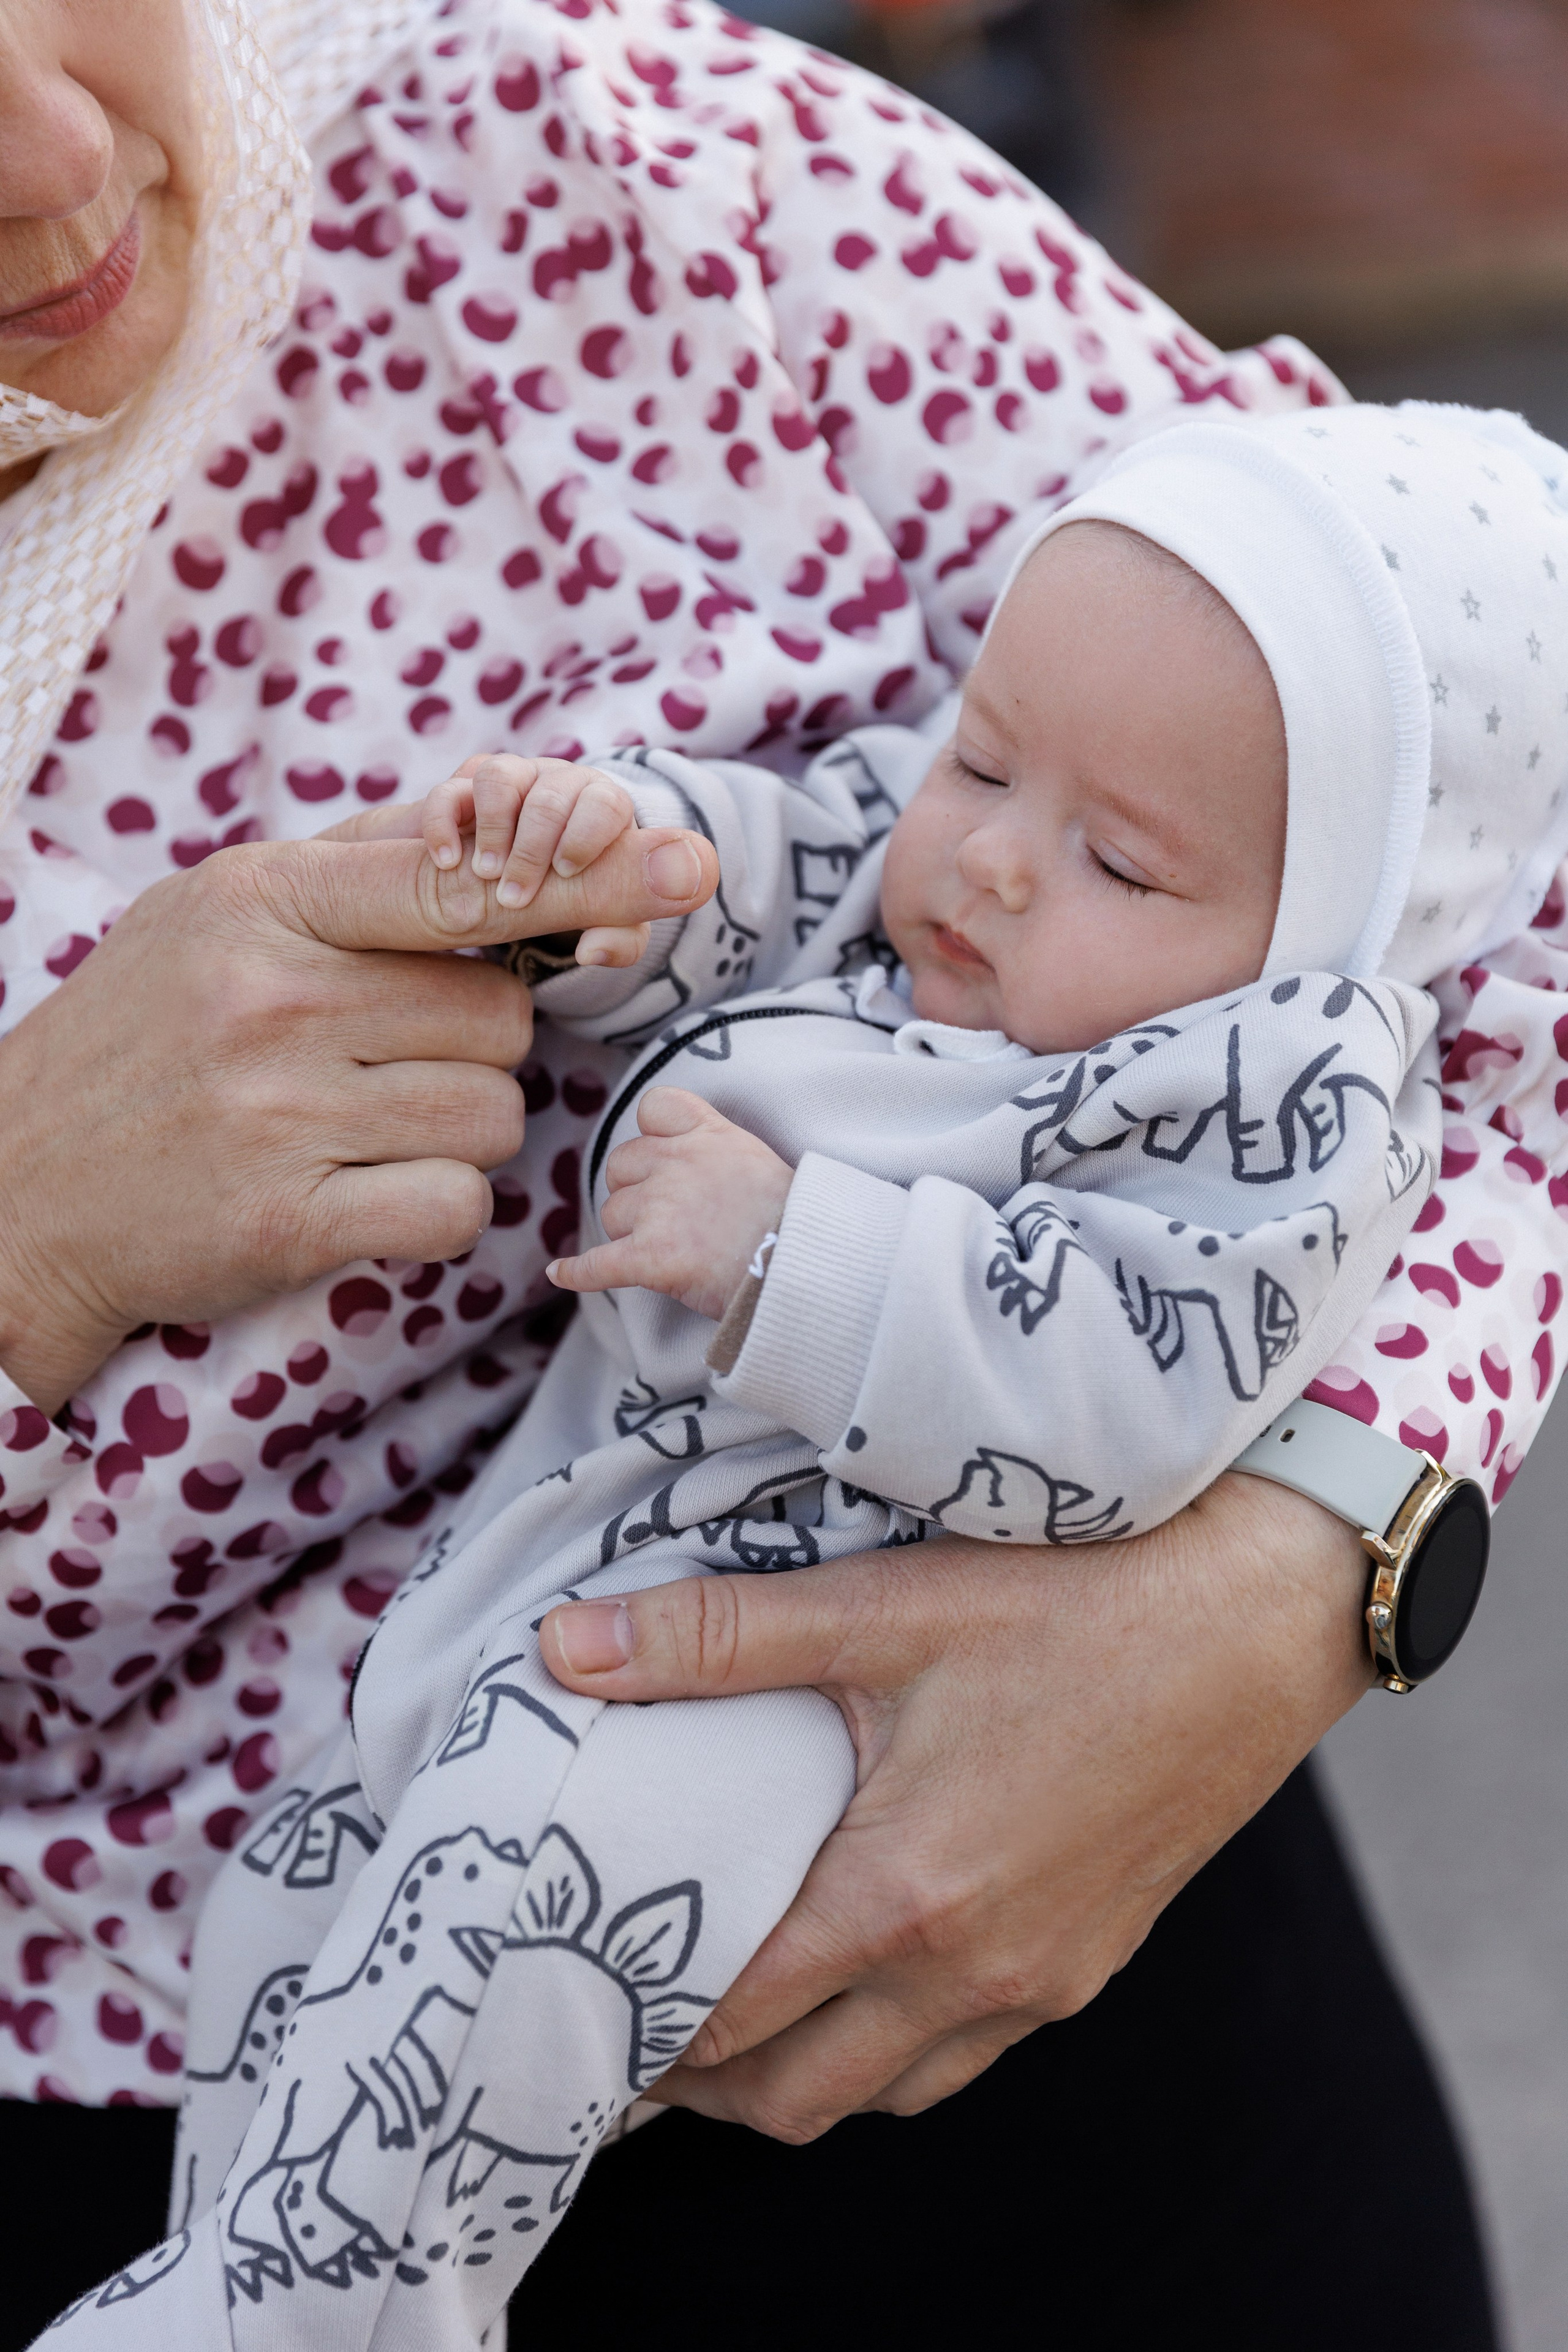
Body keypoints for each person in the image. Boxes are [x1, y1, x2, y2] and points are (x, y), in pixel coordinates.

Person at [0, 0, 1557, 2343]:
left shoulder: (639, 173)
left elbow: (1486, 860)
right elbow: (813, 846)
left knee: (527, 1890)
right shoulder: (979, 856)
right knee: (344, 1946)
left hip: (945, 1893)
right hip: (193, 1986)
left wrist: (1295, 1575)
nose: (46, 149)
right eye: (988, 774)